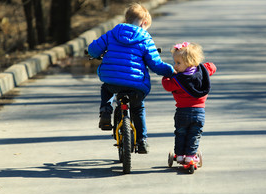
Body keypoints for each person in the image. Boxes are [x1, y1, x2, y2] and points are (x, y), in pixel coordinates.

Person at [88, 3, 174, 154]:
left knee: (106, 89)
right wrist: (171, 71)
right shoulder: (145, 38)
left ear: (127, 19)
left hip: (112, 80)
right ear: (144, 23)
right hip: (136, 85)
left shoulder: (113, 33)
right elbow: (156, 65)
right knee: (138, 109)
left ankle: (105, 111)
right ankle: (142, 141)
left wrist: (93, 54)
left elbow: (94, 49)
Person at [162, 42, 217, 163]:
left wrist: (166, 76)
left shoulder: (178, 80)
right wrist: (201, 65)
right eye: (175, 62)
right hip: (199, 112)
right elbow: (212, 66)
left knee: (180, 133)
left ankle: (180, 155)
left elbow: (167, 85)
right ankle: (191, 156)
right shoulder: (202, 73)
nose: (175, 66)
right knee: (194, 134)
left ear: (189, 62)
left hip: (182, 111)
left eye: (178, 63)